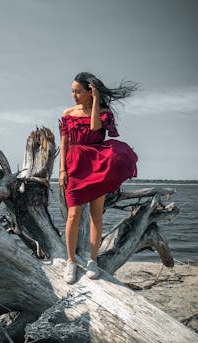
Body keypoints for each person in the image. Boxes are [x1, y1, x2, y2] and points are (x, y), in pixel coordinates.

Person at [59, 72, 138, 284]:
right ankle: (71, 261)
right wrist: (62, 171)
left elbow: (95, 127)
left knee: (96, 215)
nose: (74, 95)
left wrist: (95, 101)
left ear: (90, 92)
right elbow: (64, 144)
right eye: (72, 91)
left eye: (78, 91)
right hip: (75, 166)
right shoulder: (68, 113)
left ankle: (93, 261)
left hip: (96, 167)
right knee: (73, 215)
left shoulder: (103, 113)